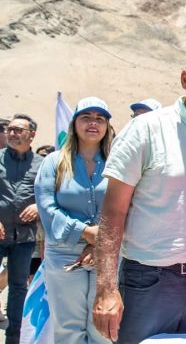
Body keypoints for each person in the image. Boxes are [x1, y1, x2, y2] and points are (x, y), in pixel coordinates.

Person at [92, 45, 186, 344]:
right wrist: (106, 288)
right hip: (150, 284)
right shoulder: (145, 130)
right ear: (185, 80)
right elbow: (113, 212)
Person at [34, 97, 115, 344]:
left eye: (100, 118)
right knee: (69, 328)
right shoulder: (54, 162)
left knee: (103, 327)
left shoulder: (118, 163)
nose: (93, 123)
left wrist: (98, 241)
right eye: (86, 117)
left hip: (108, 254)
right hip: (65, 255)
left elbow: (129, 205)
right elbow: (47, 208)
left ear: (107, 126)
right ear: (74, 123)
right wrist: (84, 232)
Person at [0, 114, 43, 344]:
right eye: (10, 129)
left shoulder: (41, 164)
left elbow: (49, 194)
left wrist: (38, 205)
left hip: (25, 238)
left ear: (32, 135)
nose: (13, 133)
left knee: (18, 288)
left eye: (19, 130)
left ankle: (13, 338)